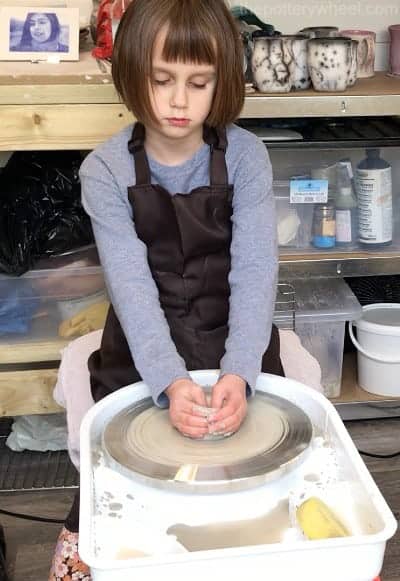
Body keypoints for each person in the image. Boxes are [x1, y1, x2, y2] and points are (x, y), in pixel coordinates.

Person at [49, 0, 284, 578]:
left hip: (235, 331)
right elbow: (129, 286)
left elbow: (255, 271)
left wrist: (238, 370)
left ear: (221, 82)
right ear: (133, 75)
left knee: (263, 487)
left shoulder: (248, 157)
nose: (180, 101)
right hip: (142, 345)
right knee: (117, 489)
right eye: (162, 80)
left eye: (198, 82)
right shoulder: (104, 171)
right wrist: (169, 382)